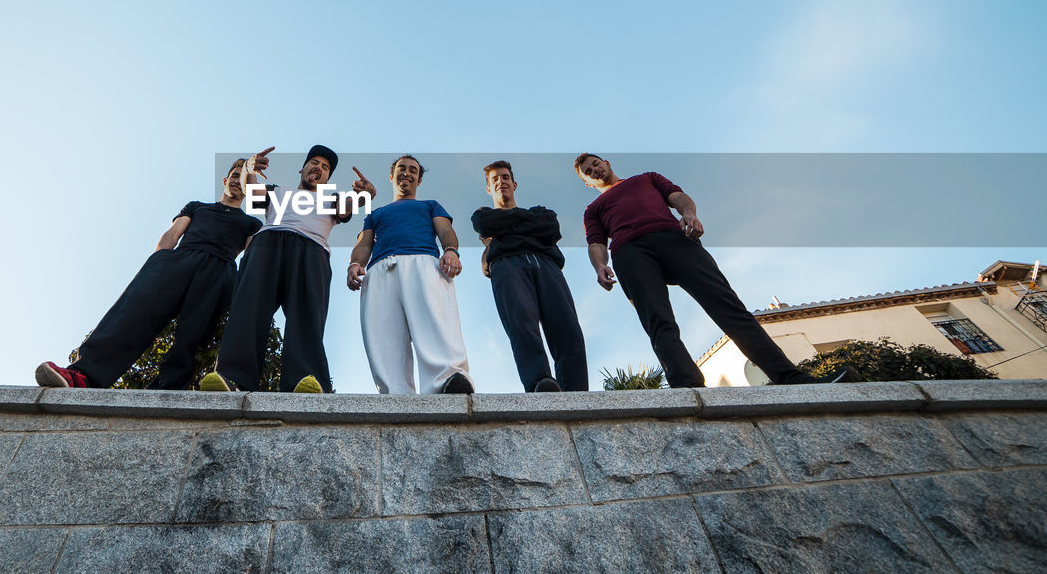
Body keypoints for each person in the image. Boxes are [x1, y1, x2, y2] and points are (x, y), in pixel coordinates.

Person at [574, 153, 861, 388]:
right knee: (658, 321)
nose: (595, 170)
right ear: (588, 182)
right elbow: (596, 242)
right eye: (589, 171)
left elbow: (677, 197)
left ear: (607, 163)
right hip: (630, 253)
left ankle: (790, 378)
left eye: (596, 164)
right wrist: (601, 266)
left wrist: (689, 214)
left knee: (729, 307)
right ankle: (687, 386)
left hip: (674, 239)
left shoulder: (646, 178)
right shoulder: (594, 208)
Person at [35, 158, 262, 390]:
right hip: (180, 259)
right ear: (225, 180)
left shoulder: (251, 223)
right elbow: (173, 233)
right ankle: (83, 375)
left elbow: (253, 258)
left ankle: (169, 389)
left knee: (193, 336)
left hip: (219, 271)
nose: (236, 181)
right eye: (234, 175)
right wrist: (158, 262)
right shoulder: (197, 206)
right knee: (133, 312)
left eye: (241, 178)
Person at [200, 144, 375, 393]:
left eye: (325, 167)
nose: (319, 168)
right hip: (268, 245)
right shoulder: (278, 192)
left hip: (311, 251)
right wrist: (248, 169)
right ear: (303, 168)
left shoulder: (330, 199)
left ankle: (304, 379)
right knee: (249, 309)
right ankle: (233, 377)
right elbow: (253, 191)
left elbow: (348, 206)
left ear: (327, 179)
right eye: (314, 162)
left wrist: (365, 195)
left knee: (306, 317)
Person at [348, 154, 474, 394]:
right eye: (402, 168)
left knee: (435, 322)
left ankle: (447, 381)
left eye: (413, 170)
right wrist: (354, 264)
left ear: (419, 180)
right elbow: (364, 243)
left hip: (423, 264)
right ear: (392, 175)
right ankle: (395, 392)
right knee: (384, 335)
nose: (407, 173)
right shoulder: (375, 214)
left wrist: (451, 251)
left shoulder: (429, 205)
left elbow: (445, 229)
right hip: (381, 270)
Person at [472, 160, 588, 392]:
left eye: (505, 177)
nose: (500, 182)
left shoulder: (540, 212)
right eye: (495, 179)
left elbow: (550, 228)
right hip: (507, 265)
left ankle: (575, 390)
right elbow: (485, 224)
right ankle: (539, 382)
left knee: (566, 327)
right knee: (522, 324)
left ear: (514, 184)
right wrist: (526, 222)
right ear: (488, 189)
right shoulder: (484, 215)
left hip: (547, 265)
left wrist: (507, 227)